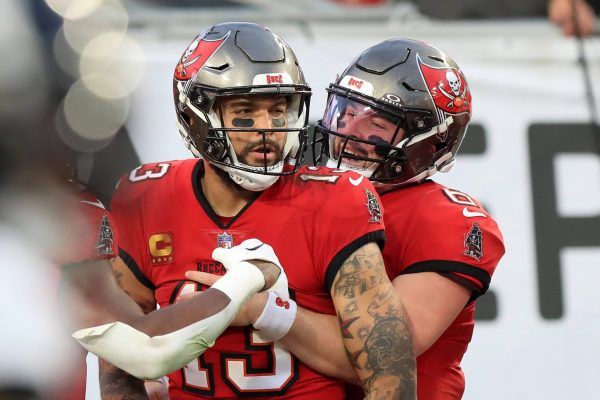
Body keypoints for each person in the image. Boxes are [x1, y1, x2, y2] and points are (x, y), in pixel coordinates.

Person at [100, 22, 415, 400]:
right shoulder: (147, 197)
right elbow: (118, 358)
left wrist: (268, 311)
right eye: (245, 112)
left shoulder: (335, 200)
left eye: (278, 110)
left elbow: (389, 368)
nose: (268, 129)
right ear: (195, 117)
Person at [190, 38, 505, 400]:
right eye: (346, 112)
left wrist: (267, 311)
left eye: (377, 125)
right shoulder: (305, 191)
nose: (349, 135)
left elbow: (387, 354)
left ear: (431, 142)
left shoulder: (446, 220)